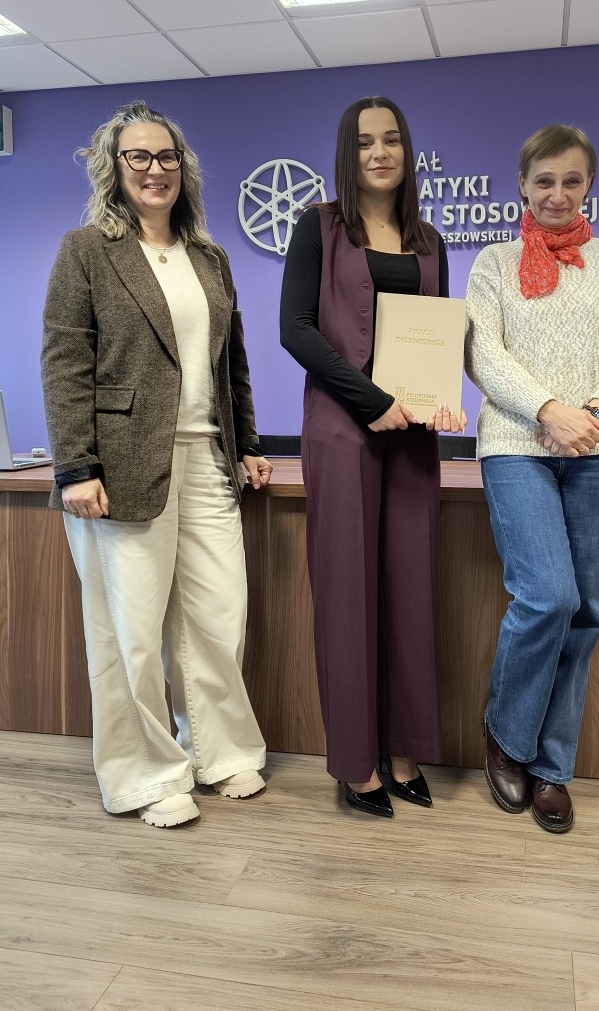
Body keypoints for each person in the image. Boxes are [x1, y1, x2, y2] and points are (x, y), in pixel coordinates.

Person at [41, 101, 272, 828]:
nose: (154, 169)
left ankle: (220, 752)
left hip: (206, 460)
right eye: (137, 157)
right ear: (113, 168)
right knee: (131, 632)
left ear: (183, 169)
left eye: (166, 156)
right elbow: (65, 363)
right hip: (121, 465)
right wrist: (75, 467)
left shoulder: (210, 258)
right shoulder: (86, 250)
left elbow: (232, 364)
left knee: (219, 616)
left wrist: (249, 445)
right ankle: (143, 775)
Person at [465, 123, 599, 833]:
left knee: (586, 612)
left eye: (571, 180)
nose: (557, 193)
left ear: (588, 186)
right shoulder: (492, 262)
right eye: (543, 180)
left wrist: (594, 415)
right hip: (516, 447)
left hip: (598, 454)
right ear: (522, 185)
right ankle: (506, 735)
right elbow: (484, 355)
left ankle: (552, 765)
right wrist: (550, 410)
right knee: (548, 595)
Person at [280, 95, 466, 818]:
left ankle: (404, 750)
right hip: (342, 430)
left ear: (407, 150)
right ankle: (356, 764)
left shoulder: (429, 239)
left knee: (411, 590)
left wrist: (443, 399)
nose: (380, 153)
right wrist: (372, 401)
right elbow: (296, 329)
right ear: (347, 153)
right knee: (348, 592)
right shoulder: (319, 227)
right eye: (364, 142)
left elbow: (437, 335)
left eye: (391, 140)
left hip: (414, 437)